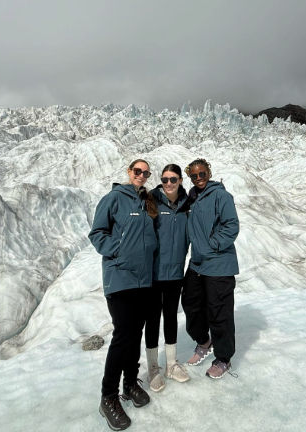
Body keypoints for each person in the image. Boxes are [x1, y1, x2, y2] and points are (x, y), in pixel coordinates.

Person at [88, 159, 158, 431]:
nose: (141, 175)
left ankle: (130, 383)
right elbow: (97, 233)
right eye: (137, 171)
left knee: (135, 333)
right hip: (120, 278)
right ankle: (108, 396)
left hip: (143, 281)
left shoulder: (147, 202)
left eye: (145, 172)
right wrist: (118, 249)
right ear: (129, 172)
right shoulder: (114, 198)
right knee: (123, 335)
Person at [181, 158, 240, 379]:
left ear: (209, 172)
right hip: (197, 263)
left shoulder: (221, 196)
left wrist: (211, 245)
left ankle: (223, 358)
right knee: (191, 304)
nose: (198, 179)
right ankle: (204, 341)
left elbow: (231, 225)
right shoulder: (192, 199)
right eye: (194, 176)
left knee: (219, 312)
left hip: (219, 264)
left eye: (202, 174)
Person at [143, 164, 192, 392]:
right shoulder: (152, 200)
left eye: (173, 179)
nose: (169, 184)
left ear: (181, 180)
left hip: (175, 273)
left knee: (171, 316)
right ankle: (153, 367)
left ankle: (171, 364)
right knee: (152, 319)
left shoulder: (186, 204)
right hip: (153, 273)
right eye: (165, 179)